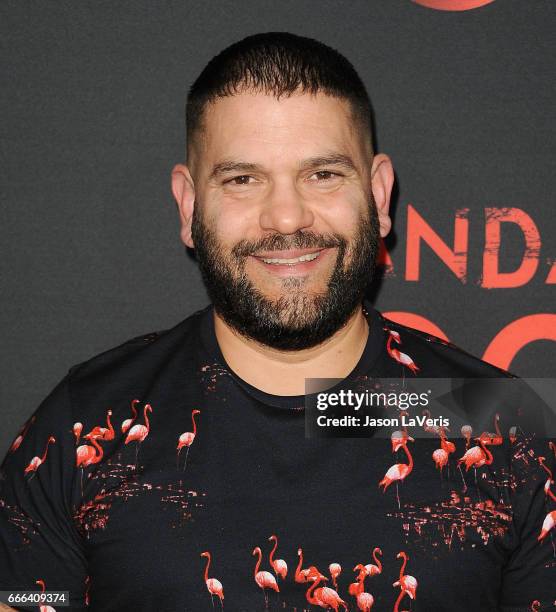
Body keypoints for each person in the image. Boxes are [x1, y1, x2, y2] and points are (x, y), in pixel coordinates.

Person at [1, 32, 554, 611]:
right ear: (190, 206)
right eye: (243, 179)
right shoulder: (84, 421)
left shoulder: (499, 421)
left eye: (323, 174)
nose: (286, 216)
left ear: (379, 193)